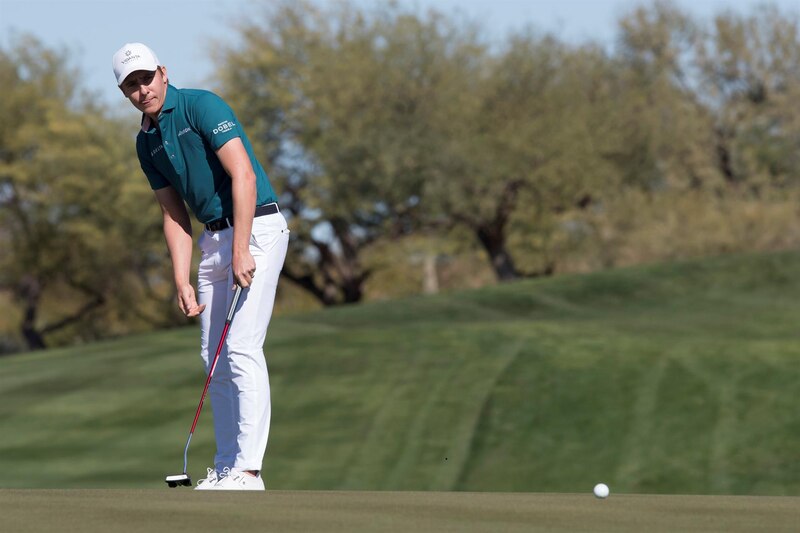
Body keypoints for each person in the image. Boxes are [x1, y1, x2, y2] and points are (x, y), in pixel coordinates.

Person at [112, 43, 289, 490]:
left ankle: (249, 469)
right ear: (124, 91)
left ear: (163, 73)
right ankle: (227, 465)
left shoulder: (201, 106)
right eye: (131, 84)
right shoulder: (145, 141)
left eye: (146, 78)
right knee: (213, 357)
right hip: (213, 239)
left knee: (242, 347)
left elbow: (243, 175)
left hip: (257, 228)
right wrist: (181, 278)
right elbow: (174, 215)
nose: (142, 89)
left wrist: (241, 247)